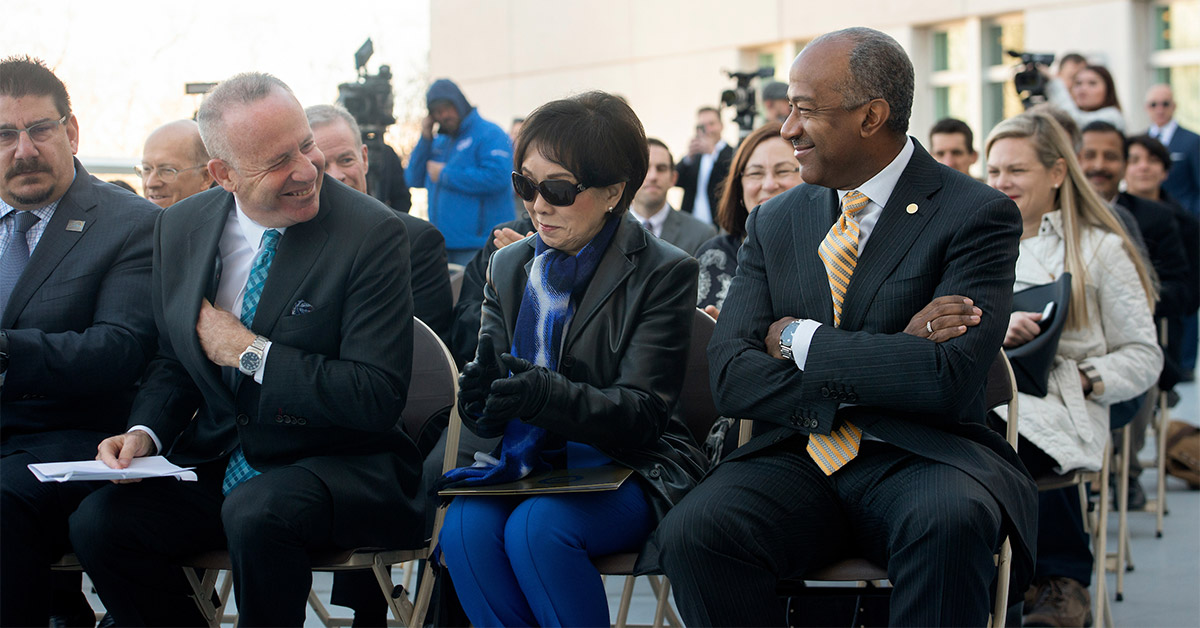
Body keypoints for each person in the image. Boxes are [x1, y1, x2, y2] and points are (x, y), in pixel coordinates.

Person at [653, 28, 1037, 626]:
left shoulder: (976, 214)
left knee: (950, 523)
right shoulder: (775, 221)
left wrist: (797, 340)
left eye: (805, 110)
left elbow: (947, 381)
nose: (787, 129)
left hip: (924, 457)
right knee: (697, 531)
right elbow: (730, 376)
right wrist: (894, 359)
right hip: (798, 453)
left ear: (871, 116)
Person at [67, 72, 425, 626]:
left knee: (259, 513)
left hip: (338, 463)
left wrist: (250, 352)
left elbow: (373, 396)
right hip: (220, 460)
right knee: (99, 523)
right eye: (279, 161)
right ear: (223, 174)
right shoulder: (180, 227)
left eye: (306, 145)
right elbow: (174, 360)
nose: (306, 170)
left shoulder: (371, 233)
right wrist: (145, 433)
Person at [437, 91, 706, 627]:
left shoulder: (664, 270)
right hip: (528, 463)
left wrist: (540, 394)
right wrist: (482, 399)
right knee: (463, 527)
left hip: (632, 463)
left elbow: (642, 415)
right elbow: (492, 397)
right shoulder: (509, 264)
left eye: (557, 189)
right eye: (525, 184)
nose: (537, 204)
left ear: (613, 191)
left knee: (538, 529)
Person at [0, 54, 159, 628]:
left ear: (70, 130)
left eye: (39, 129)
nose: (24, 149)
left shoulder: (129, 223)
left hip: (74, 440)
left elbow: (118, 350)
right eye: (3, 135)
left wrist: (4, 353)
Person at [986, 110, 1161, 626]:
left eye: (1016, 170)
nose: (1001, 183)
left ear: (1057, 172)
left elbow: (1144, 353)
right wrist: (999, 329)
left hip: (1063, 403)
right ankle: (994, 576)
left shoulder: (1099, 248)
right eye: (993, 171)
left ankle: (1058, 579)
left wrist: (1085, 379)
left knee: (999, 437)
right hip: (984, 388)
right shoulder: (976, 241)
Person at [307, 103, 453, 344]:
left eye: (345, 160)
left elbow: (425, 355)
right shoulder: (285, 238)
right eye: (321, 166)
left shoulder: (416, 242)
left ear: (364, 158)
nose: (337, 175)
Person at [693, 121, 799, 318]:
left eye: (783, 171)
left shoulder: (831, 251)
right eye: (755, 173)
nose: (768, 184)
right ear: (739, 189)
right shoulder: (715, 257)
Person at [406, 79, 513, 265]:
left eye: (448, 107)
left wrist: (446, 174)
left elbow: (499, 177)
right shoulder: (439, 142)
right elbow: (412, 178)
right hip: (443, 246)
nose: (444, 115)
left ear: (460, 103)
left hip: (481, 245)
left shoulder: (490, 133)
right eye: (437, 111)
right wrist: (425, 137)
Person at [631, 138, 716, 255]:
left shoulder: (702, 235)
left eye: (661, 169)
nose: (652, 176)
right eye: (645, 168)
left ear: (673, 178)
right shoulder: (608, 228)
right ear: (630, 176)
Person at [1144, 84, 1199, 217]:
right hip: (1149, 215)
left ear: (1174, 106)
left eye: (1165, 104)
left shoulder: (1192, 140)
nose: (1159, 109)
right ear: (1146, 108)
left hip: (1184, 217)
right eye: (1154, 105)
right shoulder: (1140, 142)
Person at [675, 106, 733, 225]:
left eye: (711, 124)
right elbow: (675, 180)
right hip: (691, 222)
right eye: (702, 126)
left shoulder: (732, 153)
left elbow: (730, 178)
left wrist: (714, 154)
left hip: (719, 223)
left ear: (721, 125)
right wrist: (688, 158)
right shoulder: (695, 156)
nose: (707, 130)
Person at [137, 119, 213, 209]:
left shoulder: (227, 221)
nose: (150, 183)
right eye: (146, 169)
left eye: (167, 170)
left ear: (206, 177)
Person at [1043, 63, 1125, 131]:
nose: (1083, 89)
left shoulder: (1113, 116)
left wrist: (1055, 83)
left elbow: (1074, 121)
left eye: (1092, 83)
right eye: (1078, 83)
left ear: (1108, 89)